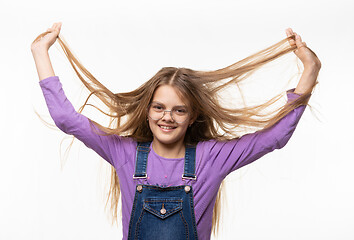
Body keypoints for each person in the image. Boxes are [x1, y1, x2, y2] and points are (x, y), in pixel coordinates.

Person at [31, 22, 321, 240]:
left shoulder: (213, 158)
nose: (166, 117)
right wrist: (40, 52)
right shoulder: (124, 153)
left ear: (192, 115)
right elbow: (66, 119)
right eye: (158, 108)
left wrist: (310, 70)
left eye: (179, 110)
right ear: (147, 111)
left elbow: (275, 137)